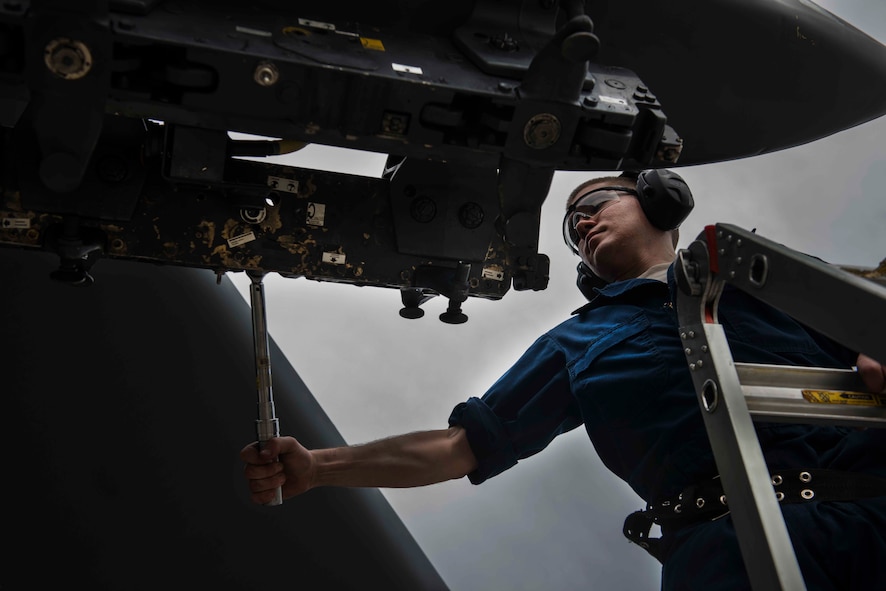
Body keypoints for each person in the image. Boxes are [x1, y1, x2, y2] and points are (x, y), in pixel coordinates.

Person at [242, 169, 886, 589]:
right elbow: (459, 446)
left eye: (597, 204)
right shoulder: (575, 344)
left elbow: (870, 321)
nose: (583, 223)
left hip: (871, 510)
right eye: (574, 229)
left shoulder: (764, 273)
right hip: (727, 559)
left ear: (660, 200)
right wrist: (319, 468)